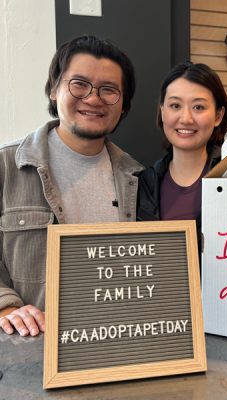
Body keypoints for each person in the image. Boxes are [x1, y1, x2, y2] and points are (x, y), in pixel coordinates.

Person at [0, 35, 143, 336]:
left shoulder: (139, 179)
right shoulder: (6, 166)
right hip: (29, 353)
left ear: (123, 105)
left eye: (109, 90)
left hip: (118, 345)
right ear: (54, 89)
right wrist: (7, 306)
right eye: (79, 84)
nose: (93, 98)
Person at [136, 62, 227, 240]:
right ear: (163, 111)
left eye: (198, 107)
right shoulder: (141, 185)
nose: (186, 119)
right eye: (175, 106)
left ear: (218, 116)